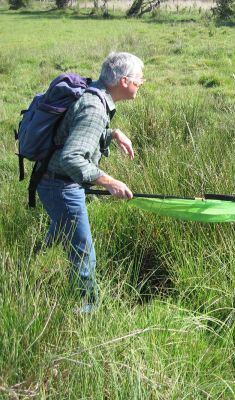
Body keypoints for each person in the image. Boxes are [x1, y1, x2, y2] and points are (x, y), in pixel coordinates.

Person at [36, 52, 144, 313]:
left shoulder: (93, 96)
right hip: (61, 186)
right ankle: (87, 311)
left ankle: (34, 264)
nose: (143, 82)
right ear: (125, 81)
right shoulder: (95, 108)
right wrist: (109, 181)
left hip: (52, 180)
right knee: (84, 253)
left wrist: (113, 133)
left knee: (61, 231)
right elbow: (71, 158)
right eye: (140, 78)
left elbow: (73, 132)